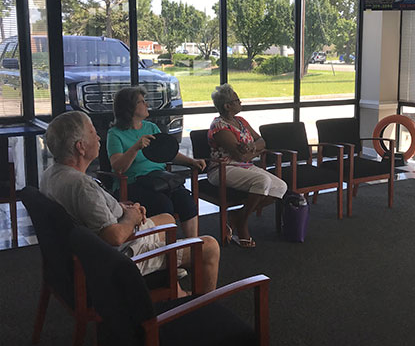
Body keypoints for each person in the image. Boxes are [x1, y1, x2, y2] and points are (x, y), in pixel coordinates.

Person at [40, 111, 220, 295]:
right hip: (120, 257)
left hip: (92, 249)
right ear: (81, 147)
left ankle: (176, 291)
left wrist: (122, 209)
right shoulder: (82, 186)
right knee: (210, 246)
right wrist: (131, 217)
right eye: (93, 133)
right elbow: (114, 237)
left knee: (167, 219)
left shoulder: (51, 174)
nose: (99, 137)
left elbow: (93, 212)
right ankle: (203, 308)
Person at [107, 86, 205, 239]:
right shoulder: (115, 134)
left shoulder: (151, 127)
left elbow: (169, 155)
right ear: (129, 107)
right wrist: (135, 148)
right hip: (132, 183)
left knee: (186, 200)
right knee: (163, 204)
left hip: (159, 179)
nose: (147, 105)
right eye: (142, 102)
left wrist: (192, 161)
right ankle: (167, 252)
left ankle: (192, 248)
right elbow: (118, 168)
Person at [208, 83, 287, 248]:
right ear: (227, 106)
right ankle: (243, 225)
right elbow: (239, 155)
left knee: (280, 187)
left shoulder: (241, 121)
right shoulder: (219, 126)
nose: (240, 102)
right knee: (262, 181)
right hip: (223, 169)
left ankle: (238, 215)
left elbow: (262, 140)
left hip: (244, 166)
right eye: (237, 100)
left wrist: (253, 149)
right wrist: (255, 151)